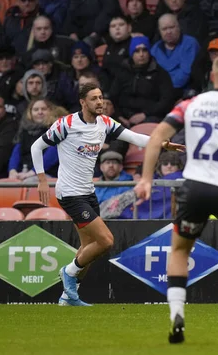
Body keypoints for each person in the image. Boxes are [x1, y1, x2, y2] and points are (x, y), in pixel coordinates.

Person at [134, 54, 218, 345]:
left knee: (180, 250)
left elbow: (157, 136)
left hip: (193, 189)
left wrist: (146, 178)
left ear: (211, 76)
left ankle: (176, 316)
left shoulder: (189, 104)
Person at [30, 82, 184, 307]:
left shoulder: (105, 123)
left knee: (87, 249)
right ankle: (68, 272)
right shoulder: (67, 124)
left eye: (101, 97)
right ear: (83, 103)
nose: (100, 102)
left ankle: (68, 296)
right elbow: (36, 147)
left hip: (88, 191)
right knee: (106, 241)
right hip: (70, 194)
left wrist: (162, 144)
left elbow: (135, 138)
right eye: (94, 99)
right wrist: (42, 179)